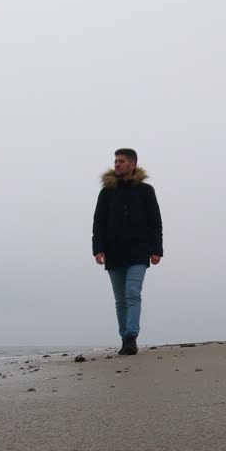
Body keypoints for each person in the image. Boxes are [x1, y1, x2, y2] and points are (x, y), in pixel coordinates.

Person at [92, 148, 163, 356]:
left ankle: (131, 336)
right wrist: (98, 249)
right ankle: (125, 338)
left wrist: (156, 250)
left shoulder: (146, 191)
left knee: (133, 293)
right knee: (120, 300)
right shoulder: (106, 192)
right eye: (115, 161)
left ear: (132, 164)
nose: (117, 164)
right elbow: (98, 223)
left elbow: (155, 222)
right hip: (113, 253)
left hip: (139, 252)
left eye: (121, 161)